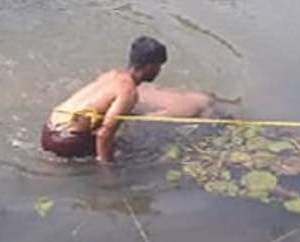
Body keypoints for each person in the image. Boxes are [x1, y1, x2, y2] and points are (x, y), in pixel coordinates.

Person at [42, 37, 213, 163]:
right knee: (130, 150)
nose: (159, 71)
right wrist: (107, 169)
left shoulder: (111, 75)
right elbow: (104, 135)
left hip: (48, 130)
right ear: (149, 67)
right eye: (158, 67)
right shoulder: (129, 92)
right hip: (65, 143)